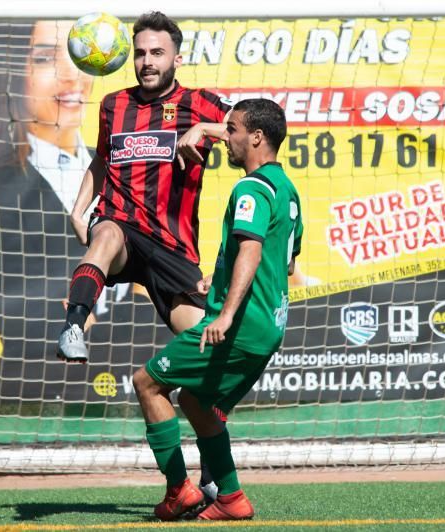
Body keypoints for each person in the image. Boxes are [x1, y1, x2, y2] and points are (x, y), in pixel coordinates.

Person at [132, 98, 303, 521]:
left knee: (147, 383)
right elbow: (287, 262)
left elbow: (251, 249)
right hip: (268, 327)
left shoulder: (250, 188)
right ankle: (230, 497)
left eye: (232, 130)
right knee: (194, 401)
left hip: (241, 324)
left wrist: (226, 312)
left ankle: (178, 492)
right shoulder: (287, 190)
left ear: (256, 137)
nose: (225, 138)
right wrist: (221, 282)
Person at [0, 20, 126, 398]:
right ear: (11, 72)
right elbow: (33, 326)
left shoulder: (118, 169)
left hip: (135, 379)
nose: (71, 75)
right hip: (49, 390)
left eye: (77, 55)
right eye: (45, 58)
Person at [56, 11, 231, 364]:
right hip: (120, 225)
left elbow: (254, 125)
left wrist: (205, 130)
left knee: (211, 352)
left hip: (172, 245)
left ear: (177, 59)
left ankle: (208, 412)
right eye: (140, 53)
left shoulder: (200, 103)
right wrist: (78, 210)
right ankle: (73, 327)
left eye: (157, 53)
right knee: (105, 234)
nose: (147, 62)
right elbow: (102, 161)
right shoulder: (113, 105)